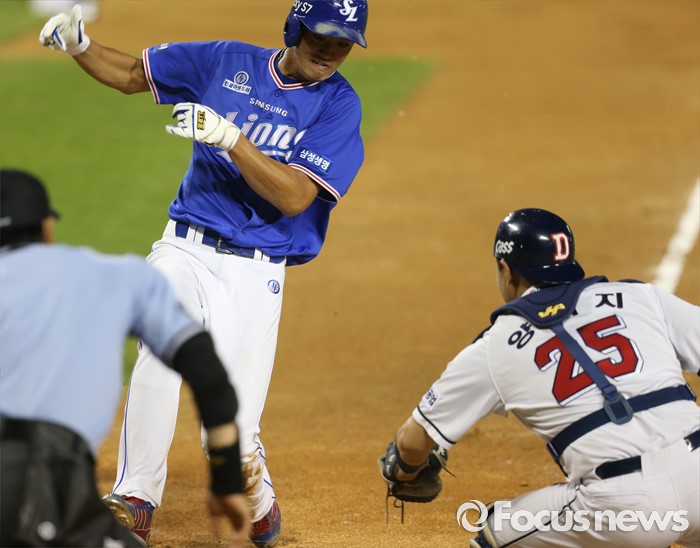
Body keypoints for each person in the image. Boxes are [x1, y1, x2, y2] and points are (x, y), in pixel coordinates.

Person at [38, 1, 368, 545]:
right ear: (294, 27)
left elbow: (294, 197)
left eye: (344, 43)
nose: (331, 51)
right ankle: (135, 499)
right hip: (184, 248)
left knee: (236, 439)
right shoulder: (225, 62)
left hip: (257, 271)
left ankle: (260, 504)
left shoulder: (338, 104)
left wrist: (229, 137)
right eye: (322, 37)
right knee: (161, 346)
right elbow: (131, 74)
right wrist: (80, 46)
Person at [380, 208, 700, 547]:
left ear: (506, 270)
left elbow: (412, 443)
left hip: (625, 510)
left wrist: (405, 471)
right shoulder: (640, 297)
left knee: (496, 531)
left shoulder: (493, 347)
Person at [0, 169, 251, 547]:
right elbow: (208, 374)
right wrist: (227, 481)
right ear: (47, 227)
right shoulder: (116, 277)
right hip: (47, 486)